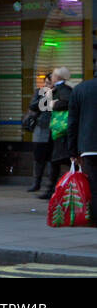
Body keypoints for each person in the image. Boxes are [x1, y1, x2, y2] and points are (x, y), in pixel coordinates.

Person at [39, 66, 75, 200]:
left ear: (58, 77)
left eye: (53, 76)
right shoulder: (56, 89)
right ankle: (53, 189)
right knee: (56, 161)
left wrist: (54, 104)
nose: (51, 78)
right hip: (56, 129)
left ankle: (53, 189)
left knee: (58, 160)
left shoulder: (63, 89)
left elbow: (65, 102)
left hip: (60, 130)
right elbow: (41, 106)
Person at [65, 72, 97, 223]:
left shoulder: (80, 89)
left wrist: (72, 151)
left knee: (95, 189)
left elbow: (72, 123)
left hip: (89, 148)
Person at [26, 73, 54, 192]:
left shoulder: (60, 92)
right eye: (46, 83)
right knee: (38, 158)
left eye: (50, 83)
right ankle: (36, 182)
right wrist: (46, 96)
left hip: (53, 129)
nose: (48, 85)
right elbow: (32, 106)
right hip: (40, 129)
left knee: (52, 159)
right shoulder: (40, 92)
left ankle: (50, 184)